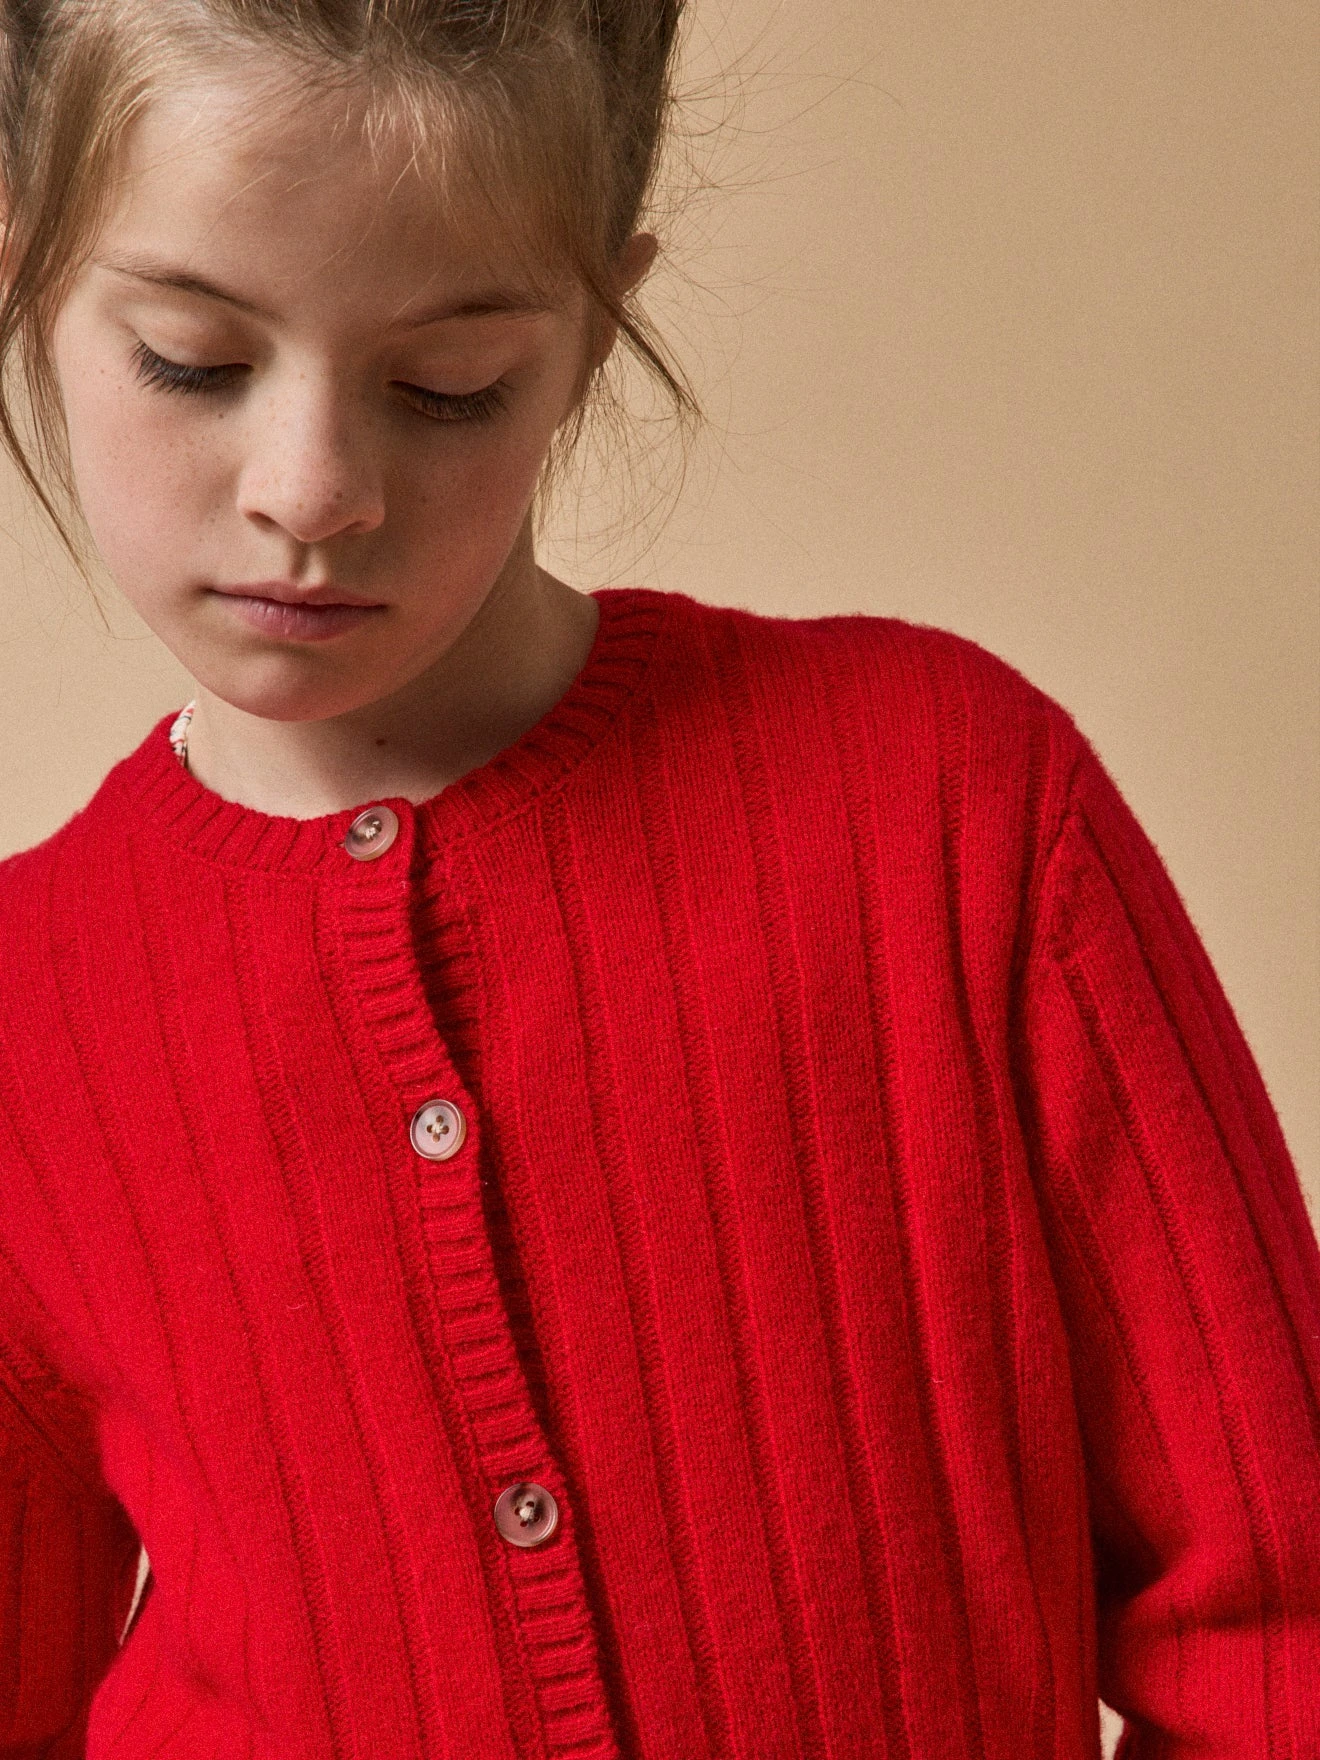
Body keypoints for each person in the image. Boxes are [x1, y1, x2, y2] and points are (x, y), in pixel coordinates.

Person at [0, 2, 1314, 1755]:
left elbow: (1279, 1618)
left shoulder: (949, 804)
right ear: (24, 276)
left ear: (595, 333)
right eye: (192, 358)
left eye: (448, 385)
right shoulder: (26, 1007)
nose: (312, 493)